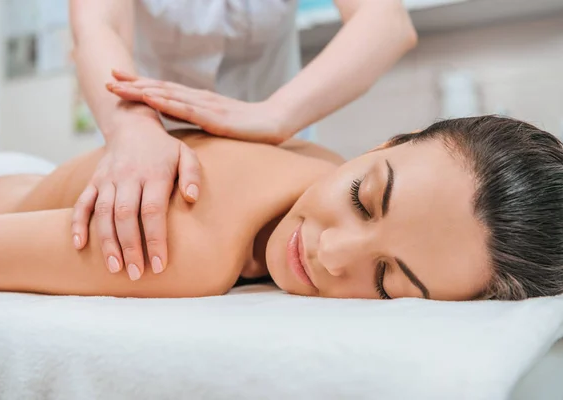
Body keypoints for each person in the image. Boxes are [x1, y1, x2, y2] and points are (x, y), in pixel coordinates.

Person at [0, 115, 562, 301]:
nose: (331, 252)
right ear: (383, 144)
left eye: (385, 280)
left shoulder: (324, 161)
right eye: (363, 199)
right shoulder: (185, 249)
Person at [69, 0, 419, 281]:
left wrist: (277, 113)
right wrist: (132, 128)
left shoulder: (309, 175)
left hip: (276, 140)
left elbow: (386, 19)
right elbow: (98, 25)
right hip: (147, 149)